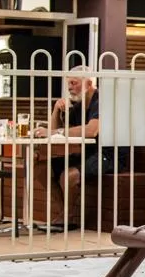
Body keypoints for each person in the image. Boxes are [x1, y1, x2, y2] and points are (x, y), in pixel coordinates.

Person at [34, 68, 105, 228]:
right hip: (85, 152)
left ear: (88, 83)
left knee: (69, 175)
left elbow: (91, 130)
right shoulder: (80, 105)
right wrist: (55, 110)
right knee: (41, 168)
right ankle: (65, 214)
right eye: (68, 83)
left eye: (74, 83)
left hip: (106, 153)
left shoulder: (100, 100)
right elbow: (55, 134)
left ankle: (68, 217)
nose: (70, 87)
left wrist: (56, 131)